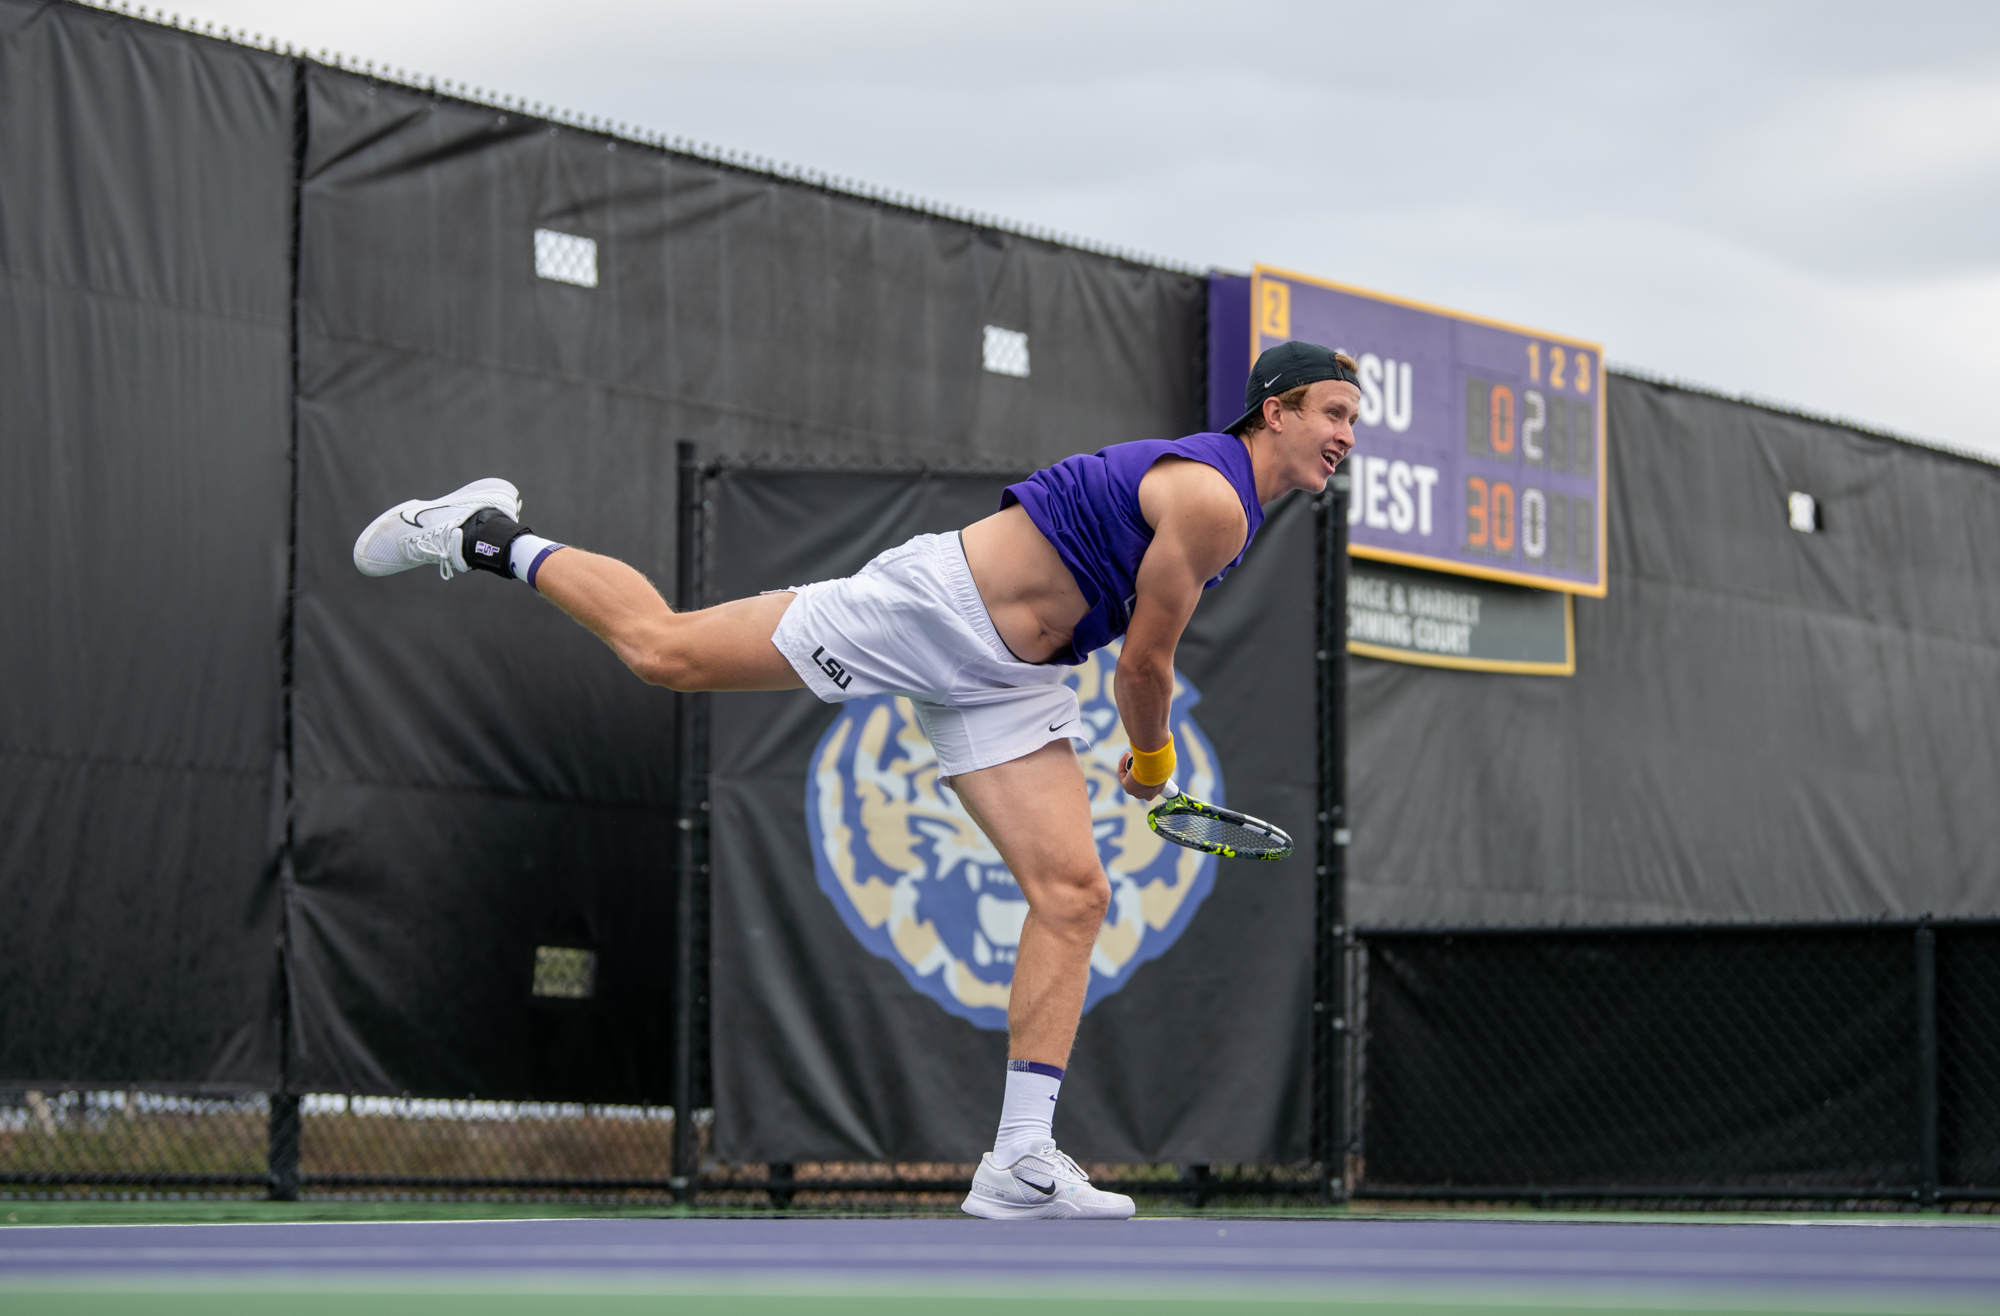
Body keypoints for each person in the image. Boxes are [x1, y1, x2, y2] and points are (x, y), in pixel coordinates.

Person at [352, 341, 1362, 1219]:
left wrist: (1139, 759)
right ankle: (480, 532)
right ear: (1272, 411)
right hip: (937, 609)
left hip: (1016, 677)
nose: (1344, 435)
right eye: (1330, 413)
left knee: (1073, 892)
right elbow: (1144, 668)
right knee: (663, 651)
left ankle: (1017, 1156)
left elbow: (1122, 650)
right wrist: (1151, 766)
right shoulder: (1211, 499)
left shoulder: (1238, 504)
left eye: (1352, 420)